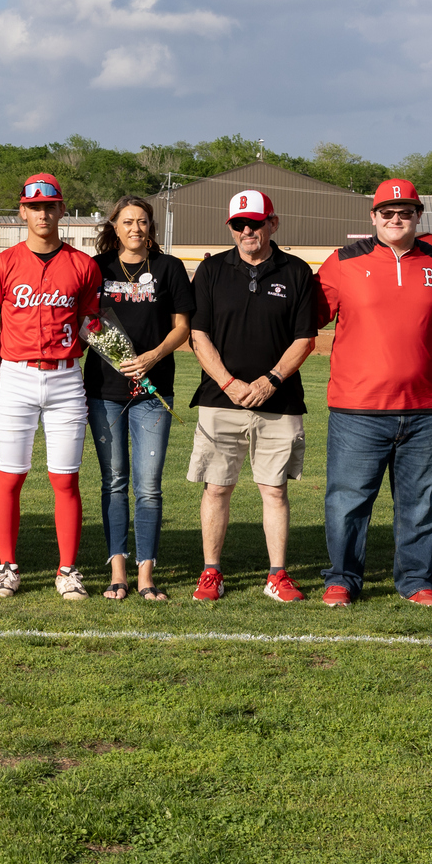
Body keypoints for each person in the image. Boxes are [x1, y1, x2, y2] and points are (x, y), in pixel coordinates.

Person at [316, 178, 432, 607]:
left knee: (418, 504)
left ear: (418, 216)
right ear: (373, 216)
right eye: (388, 213)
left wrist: (426, 360)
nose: (397, 219)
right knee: (348, 502)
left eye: (406, 212)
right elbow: (306, 321)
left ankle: (416, 581)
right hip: (358, 407)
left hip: (425, 407)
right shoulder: (342, 262)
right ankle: (342, 579)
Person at [186, 191, 317, 603]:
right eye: (239, 224)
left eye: (256, 223)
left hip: (278, 400)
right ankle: (211, 573)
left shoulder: (296, 272)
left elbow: (305, 339)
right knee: (217, 487)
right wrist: (229, 383)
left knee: (274, 489)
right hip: (219, 398)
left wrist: (269, 381)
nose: (247, 231)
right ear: (230, 228)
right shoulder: (210, 271)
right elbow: (198, 335)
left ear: (272, 224)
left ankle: (277, 575)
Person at [0, 174, 101, 600]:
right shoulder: (2, 263)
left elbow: (92, 322)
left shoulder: (83, 265)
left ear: (61, 210)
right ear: (22, 211)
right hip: (16, 376)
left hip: (67, 377)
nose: (42, 213)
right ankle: (7, 568)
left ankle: (67, 570)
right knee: (9, 477)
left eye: (50, 205)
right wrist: (4, 361)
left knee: (65, 479)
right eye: (34, 206)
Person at [84, 195, 193, 601]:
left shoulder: (170, 268)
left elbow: (182, 327)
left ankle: (146, 574)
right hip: (104, 392)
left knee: (149, 487)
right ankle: (118, 572)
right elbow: (83, 320)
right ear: (114, 226)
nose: (135, 228)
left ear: (151, 228)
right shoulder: (96, 268)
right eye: (127, 221)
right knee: (113, 482)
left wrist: (152, 356)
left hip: (152, 392)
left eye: (143, 222)